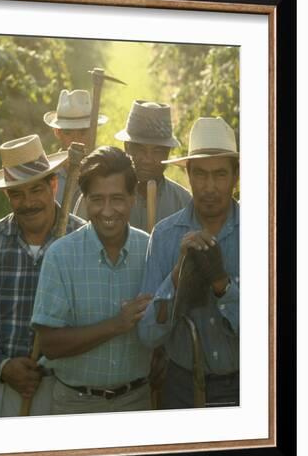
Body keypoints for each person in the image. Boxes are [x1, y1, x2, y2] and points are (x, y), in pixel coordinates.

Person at [31, 146, 153, 414]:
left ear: (133, 197)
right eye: (97, 199)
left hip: (137, 403)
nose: (107, 211)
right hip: (75, 405)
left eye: (117, 198)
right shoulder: (60, 256)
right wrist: (116, 325)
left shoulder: (150, 251)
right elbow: (50, 346)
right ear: (84, 199)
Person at [138, 117, 240, 409]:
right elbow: (147, 334)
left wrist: (223, 286)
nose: (209, 187)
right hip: (182, 387)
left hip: (250, 385)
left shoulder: (262, 233)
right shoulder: (165, 236)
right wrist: (177, 275)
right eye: (200, 175)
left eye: (220, 174)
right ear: (189, 176)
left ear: (236, 176)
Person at [0, 134, 84, 417]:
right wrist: (3, 365)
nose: (28, 202)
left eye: (35, 190)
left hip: (64, 389)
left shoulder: (81, 240)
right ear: (7, 196)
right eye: (17, 193)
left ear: (53, 185)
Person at [74, 100, 190, 230]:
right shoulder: (96, 196)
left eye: (157, 151)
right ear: (127, 148)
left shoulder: (183, 202)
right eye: (140, 149)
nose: (148, 159)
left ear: (168, 153)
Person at [44, 88, 108, 209]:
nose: (76, 140)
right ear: (57, 132)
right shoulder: (47, 176)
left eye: (83, 132)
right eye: (68, 133)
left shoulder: (106, 171)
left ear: (93, 131)